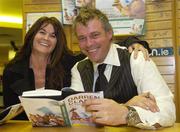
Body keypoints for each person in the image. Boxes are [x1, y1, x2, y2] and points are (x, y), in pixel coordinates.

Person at [2, 16, 149, 120]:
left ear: (57, 42)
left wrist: (132, 42)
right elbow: (10, 113)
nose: (46, 38)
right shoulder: (12, 70)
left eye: (53, 35)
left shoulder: (68, 62)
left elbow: (99, 47)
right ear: (32, 35)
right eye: (42, 32)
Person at [70, 7, 176, 129]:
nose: (89, 44)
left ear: (109, 33)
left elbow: (167, 111)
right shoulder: (78, 69)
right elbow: (78, 117)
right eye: (82, 38)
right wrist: (126, 106)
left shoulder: (136, 59)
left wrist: (127, 113)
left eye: (95, 35)